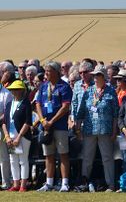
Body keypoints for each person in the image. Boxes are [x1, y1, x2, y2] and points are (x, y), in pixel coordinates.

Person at [76, 66, 119, 192]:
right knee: (87, 157)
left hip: (105, 130)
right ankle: (84, 183)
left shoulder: (111, 91)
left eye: (98, 75)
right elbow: (81, 111)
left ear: (104, 77)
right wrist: (78, 127)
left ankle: (110, 184)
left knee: (107, 157)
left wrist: (114, 130)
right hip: (89, 130)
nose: (95, 78)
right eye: (94, 75)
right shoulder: (89, 91)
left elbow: (115, 113)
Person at [35, 61, 73, 192]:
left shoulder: (64, 87)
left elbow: (65, 107)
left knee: (63, 154)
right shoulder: (44, 86)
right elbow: (38, 104)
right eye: (45, 71)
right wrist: (42, 120)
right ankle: (49, 182)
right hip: (46, 126)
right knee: (49, 155)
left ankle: (64, 183)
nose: (46, 74)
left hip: (60, 126)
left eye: (48, 71)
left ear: (56, 72)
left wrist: (52, 121)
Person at [2, 80, 31, 192]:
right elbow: (4, 122)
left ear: (22, 90)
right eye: (13, 90)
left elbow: (28, 122)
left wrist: (19, 137)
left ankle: (23, 185)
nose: (15, 92)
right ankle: (16, 184)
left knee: (23, 161)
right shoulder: (9, 104)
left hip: (22, 137)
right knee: (13, 160)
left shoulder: (26, 103)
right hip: (10, 137)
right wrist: (7, 136)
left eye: (18, 89)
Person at [0, 62, 14, 190]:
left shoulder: (6, 93)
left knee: (4, 157)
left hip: (2, 128)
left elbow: (7, 113)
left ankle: (6, 182)